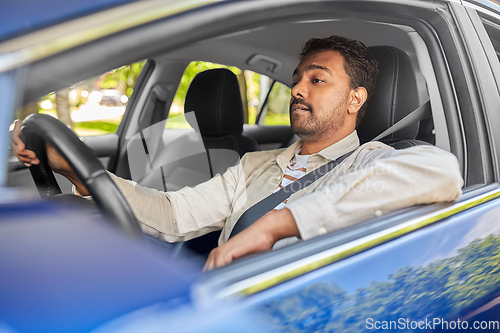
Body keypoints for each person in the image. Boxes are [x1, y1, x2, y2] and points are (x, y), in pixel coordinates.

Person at [11, 36, 463, 270]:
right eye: (297, 78)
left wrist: (276, 224)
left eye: (317, 79)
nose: (298, 89)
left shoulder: (374, 160)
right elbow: (171, 216)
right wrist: (74, 169)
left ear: (356, 100)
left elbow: (440, 172)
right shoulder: (256, 165)